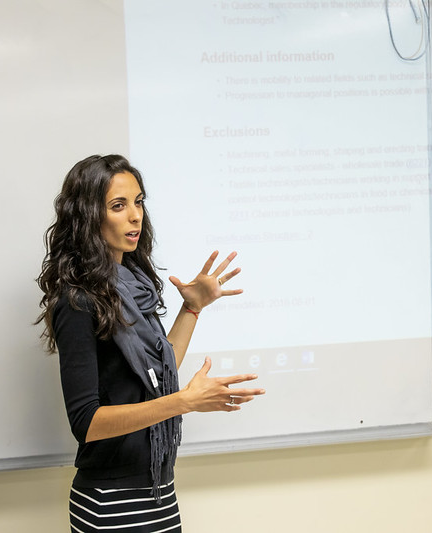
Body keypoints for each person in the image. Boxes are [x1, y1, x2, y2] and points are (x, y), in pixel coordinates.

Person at [35, 154, 265, 532]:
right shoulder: (76, 302)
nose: (135, 216)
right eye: (118, 206)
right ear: (89, 216)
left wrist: (191, 308)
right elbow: (86, 422)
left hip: (158, 491)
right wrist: (183, 402)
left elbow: (157, 369)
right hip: (110, 501)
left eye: (138, 202)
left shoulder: (134, 286)